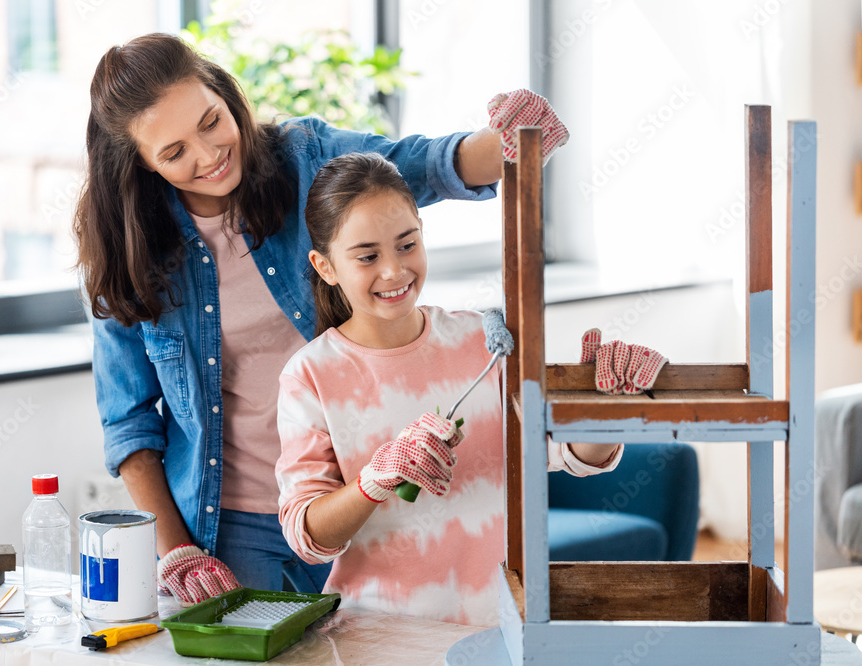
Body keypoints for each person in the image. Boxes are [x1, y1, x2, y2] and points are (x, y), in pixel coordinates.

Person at [74, 31, 567, 605]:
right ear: (139, 162)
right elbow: (129, 423)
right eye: (175, 152)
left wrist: (516, 141)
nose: (208, 156)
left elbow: (419, 167)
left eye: (210, 122)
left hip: (361, 495)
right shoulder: (124, 251)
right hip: (231, 525)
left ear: (224, 94)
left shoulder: (303, 156)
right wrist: (176, 548)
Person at [274, 152, 622, 626]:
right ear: (326, 266)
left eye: (406, 245)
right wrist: (374, 481)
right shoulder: (309, 375)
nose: (394, 271)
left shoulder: (483, 342)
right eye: (368, 256)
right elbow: (307, 536)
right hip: (380, 633)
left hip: (504, 621)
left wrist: (605, 405)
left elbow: (565, 454)